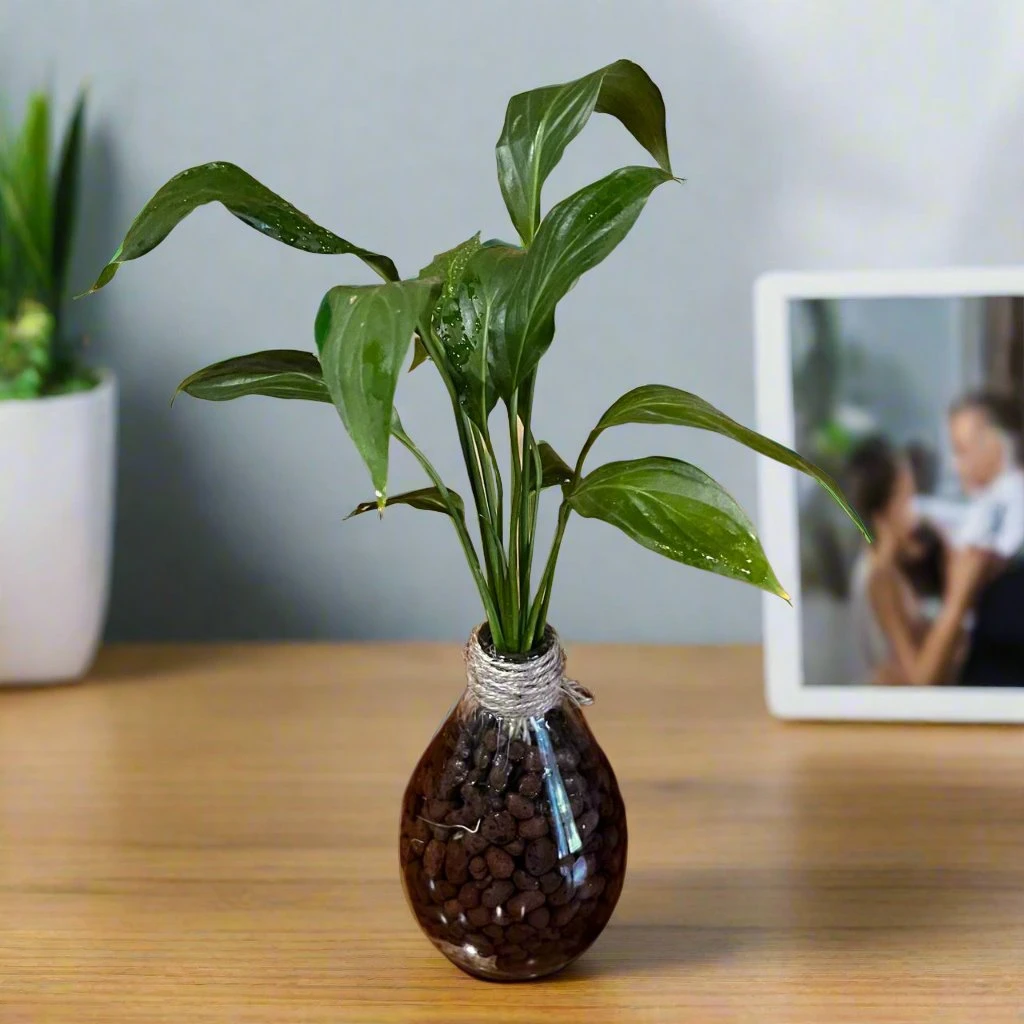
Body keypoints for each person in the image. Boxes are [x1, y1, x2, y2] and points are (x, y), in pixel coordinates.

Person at [845, 437, 962, 685]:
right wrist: (957, 597)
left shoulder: (885, 568)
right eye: (907, 497)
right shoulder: (879, 577)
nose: (915, 509)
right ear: (883, 511)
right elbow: (919, 679)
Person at [947, 392, 1024, 685]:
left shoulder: (1002, 504)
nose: (956, 465)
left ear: (996, 443)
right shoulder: (987, 504)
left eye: (961, 450)